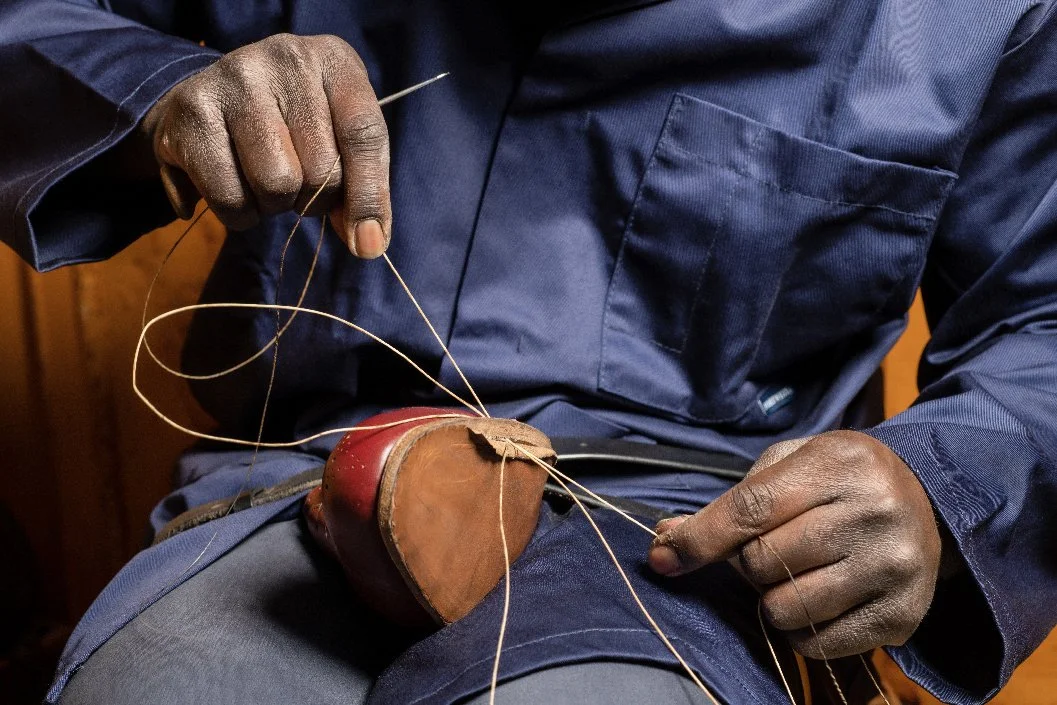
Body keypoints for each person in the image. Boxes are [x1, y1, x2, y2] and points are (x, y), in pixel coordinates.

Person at [2, 1, 1056, 703]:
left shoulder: (971, 20)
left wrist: (934, 486)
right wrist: (158, 90)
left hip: (696, 546)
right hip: (301, 492)